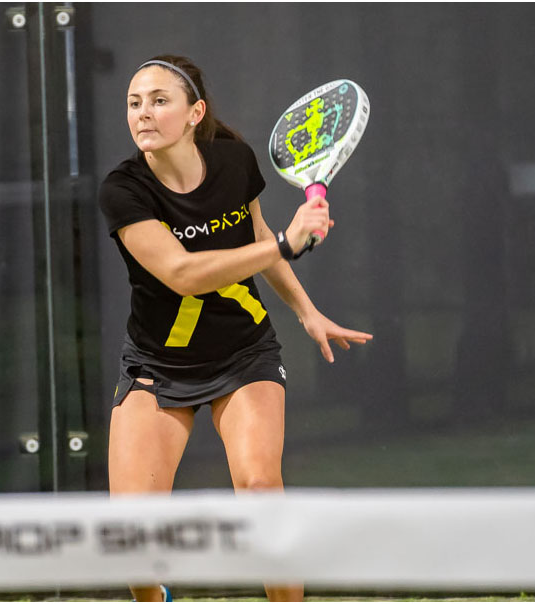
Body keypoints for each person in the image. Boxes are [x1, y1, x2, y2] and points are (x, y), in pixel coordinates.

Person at [97, 55, 374, 603]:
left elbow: (258, 238)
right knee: (131, 538)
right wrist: (287, 243)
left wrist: (306, 310)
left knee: (261, 490)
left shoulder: (233, 159)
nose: (143, 113)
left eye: (159, 101)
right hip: (157, 365)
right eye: (134, 103)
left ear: (194, 112)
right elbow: (182, 274)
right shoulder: (122, 191)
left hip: (243, 354)